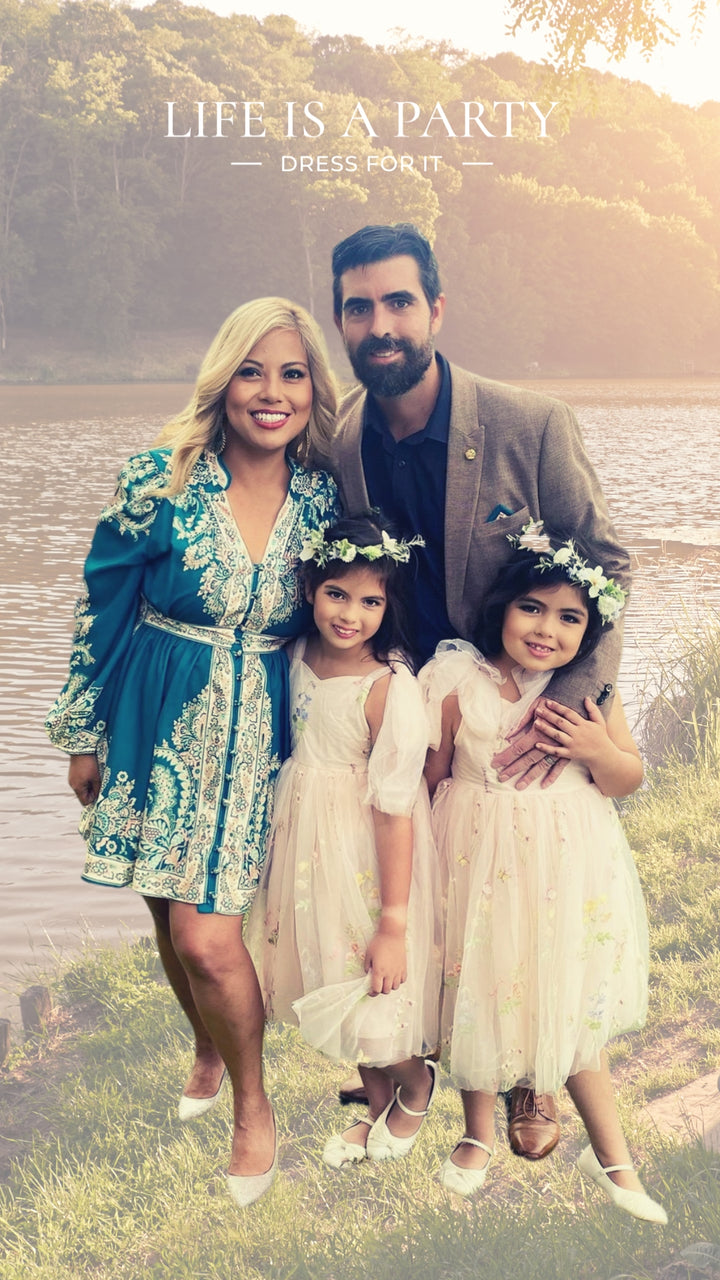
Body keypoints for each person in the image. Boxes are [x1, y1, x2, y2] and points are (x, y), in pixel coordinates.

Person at [330, 221, 632, 1154]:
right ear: (341, 320)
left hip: (520, 699)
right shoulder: (339, 437)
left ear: (436, 309)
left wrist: (564, 709)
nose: (379, 325)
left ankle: (536, 1076)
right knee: (429, 891)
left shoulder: (528, 423)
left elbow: (607, 561)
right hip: (417, 703)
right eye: (358, 307)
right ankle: (421, 1056)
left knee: (533, 894)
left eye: (397, 303)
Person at [45, 297, 340, 1208]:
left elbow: (356, 610)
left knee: (208, 940)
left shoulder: (329, 499)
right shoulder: (160, 480)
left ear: (312, 389)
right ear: (223, 378)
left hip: (262, 731)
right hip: (153, 719)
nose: (271, 391)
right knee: (166, 912)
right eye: (252, 370)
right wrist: (84, 730)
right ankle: (209, 1040)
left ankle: (255, 1108)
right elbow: (101, 607)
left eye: (292, 373)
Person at [420, 521, 666, 1224]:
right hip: (474, 853)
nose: (546, 629)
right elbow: (432, 778)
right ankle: (476, 1134)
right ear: (500, 607)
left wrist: (596, 747)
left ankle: (613, 1156)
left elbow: (627, 778)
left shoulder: (587, 692)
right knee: (476, 984)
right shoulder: (454, 678)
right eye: (531, 607)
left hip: (566, 862)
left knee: (566, 998)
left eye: (569, 618)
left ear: (588, 634)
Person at [246, 513, 442, 1169]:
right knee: (331, 973)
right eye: (337, 593)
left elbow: (394, 810)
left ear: (390, 605)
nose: (350, 613)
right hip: (302, 843)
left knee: (368, 975)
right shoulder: (294, 658)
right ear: (309, 588)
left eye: (370, 600)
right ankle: (379, 1101)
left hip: (361, 854)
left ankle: (415, 1081)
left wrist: (394, 918)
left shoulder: (388, 688)